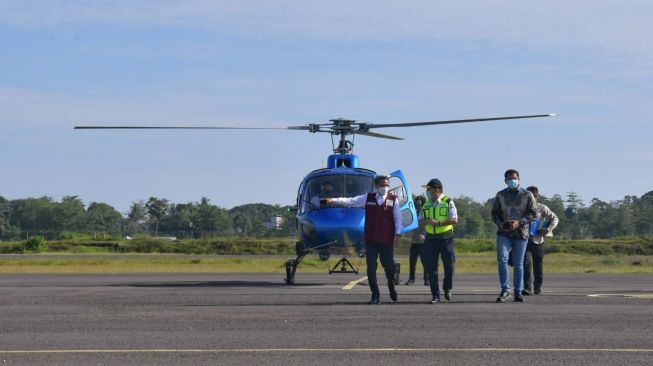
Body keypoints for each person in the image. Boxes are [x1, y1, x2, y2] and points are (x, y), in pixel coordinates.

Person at [322, 175, 402, 304]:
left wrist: (397, 234)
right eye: (382, 185)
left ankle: (391, 286)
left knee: (390, 268)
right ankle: (375, 296)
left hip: (386, 240)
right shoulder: (368, 198)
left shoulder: (394, 200)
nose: (385, 187)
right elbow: (350, 201)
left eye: (387, 185)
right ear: (376, 186)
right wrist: (332, 200)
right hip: (371, 240)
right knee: (371, 269)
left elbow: (398, 218)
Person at [491, 169, 537, 302]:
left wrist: (520, 222)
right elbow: (494, 213)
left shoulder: (527, 194)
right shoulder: (500, 195)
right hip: (503, 233)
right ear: (505, 181)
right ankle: (505, 290)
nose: (512, 180)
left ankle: (518, 291)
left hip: (521, 233)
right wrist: (501, 224)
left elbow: (533, 213)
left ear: (519, 179)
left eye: (514, 178)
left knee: (518, 263)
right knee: (502, 259)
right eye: (509, 179)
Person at [419, 178, 458, 303]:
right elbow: (420, 221)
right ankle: (435, 295)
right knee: (431, 268)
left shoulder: (448, 202)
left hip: (446, 239)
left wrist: (440, 223)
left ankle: (447, 287)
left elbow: (454, 219)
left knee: (449, 266)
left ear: (437, 189)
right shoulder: (426, 204)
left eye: (429, 189)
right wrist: (427, 221)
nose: (428, 192)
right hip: (430, 239)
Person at [522, 186, 559, 295]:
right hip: (524, 240)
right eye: (529, 196)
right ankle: (527, 288)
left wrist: (548, 229)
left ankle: (537, 287)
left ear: (537, 196)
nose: (532, 198)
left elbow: (555, 218)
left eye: (534, 196)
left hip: (538, 240)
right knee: (526, 264)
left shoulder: (542, 208)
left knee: (538, 265)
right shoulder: (522, 208)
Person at [405, 195, 428, 286]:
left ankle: (427, 279)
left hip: (424, 242)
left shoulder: (426, 213)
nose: (417, 203)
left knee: (425, 262)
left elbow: (428, 225)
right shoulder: (414, 212)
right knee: (412, 262)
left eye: (419, 202)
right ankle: (411, 279)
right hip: (414, 241)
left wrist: (424, 234)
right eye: (416, 201)